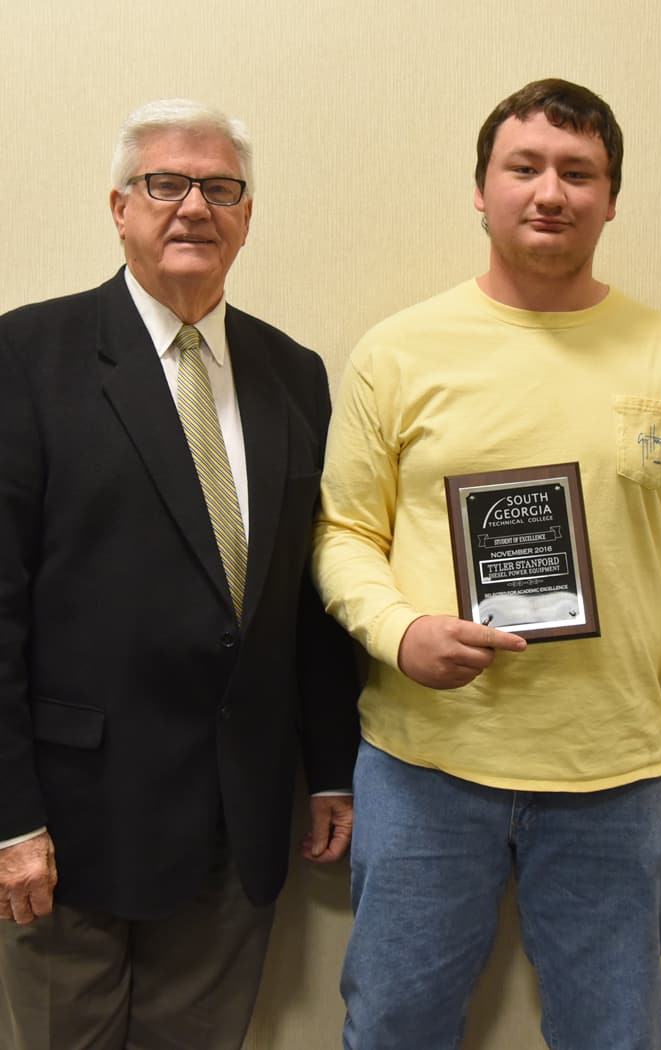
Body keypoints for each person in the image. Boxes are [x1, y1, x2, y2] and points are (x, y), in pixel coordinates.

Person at [312, 78, 661, 1050]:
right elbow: (343, 533)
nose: (549, 192)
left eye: (578, 172)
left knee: (614, 1037)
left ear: (611, 198)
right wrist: (401, 634)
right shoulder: (398, 353)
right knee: (394, 1030)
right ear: (479, 190)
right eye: (522, 167)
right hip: (424, 768)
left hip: (617, 778)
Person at [0, 98, 359, 1050]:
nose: (194, 206)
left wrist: (332, 768)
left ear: (248, 215)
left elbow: (309, 598)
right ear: (120, 207)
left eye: (221, 188)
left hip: (236, 825)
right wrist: (8, 820)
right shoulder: (26, 356)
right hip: (71, 831)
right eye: (167, 184)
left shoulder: (296, 374)